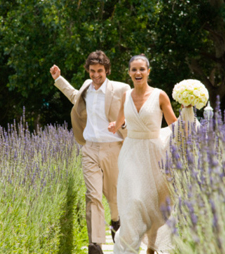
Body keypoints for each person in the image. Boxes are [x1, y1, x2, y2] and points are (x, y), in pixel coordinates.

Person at [108, 55, 196, 254]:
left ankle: (152, 245)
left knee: (154, 202)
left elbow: (174, 124)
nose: (137, 73)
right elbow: (122, 118)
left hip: (154, 153)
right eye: (134, 69)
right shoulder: (126, 95)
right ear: (129, 72)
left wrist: (187, 114)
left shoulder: (160, 95)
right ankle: (129, 246)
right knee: (134, 200)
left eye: (141, 69)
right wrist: (117, 125)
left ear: (148, 71)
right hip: (131, 151)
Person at [49, 50, 130, 254]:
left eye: (100, 71)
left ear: (107, 70)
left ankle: (116, 222)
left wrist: (122, 123)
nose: (96, 75)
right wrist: (58, 79)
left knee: (114, 197)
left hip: (114, 148)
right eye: (92, 71)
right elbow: (75, 97)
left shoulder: (120, 89)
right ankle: (95, 244)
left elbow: (131, 112)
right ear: (88, 70)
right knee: (93, 195)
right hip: (90, 148)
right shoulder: (87, 87)